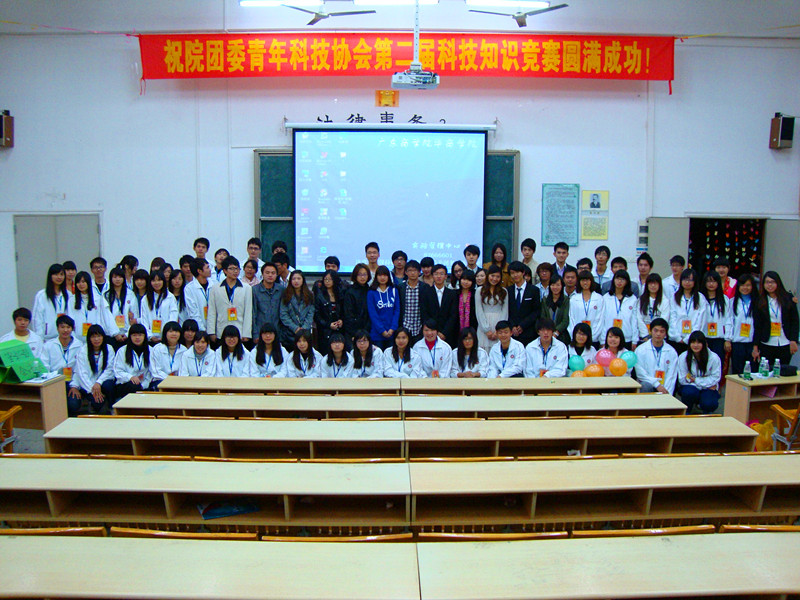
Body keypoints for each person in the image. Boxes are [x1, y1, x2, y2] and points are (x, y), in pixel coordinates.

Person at [753, 270, 799, 370]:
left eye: (772, 282)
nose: (770, 285)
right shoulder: (760, 301)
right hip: (766, 343)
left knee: (782, 372)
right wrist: (755, 346)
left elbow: (795, 321)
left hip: (785, 342)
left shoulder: (788, 298)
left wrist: (793, 340)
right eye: (767, 282)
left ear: (778, 283)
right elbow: (757, 325)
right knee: (766, 372)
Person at [70, 323, 115, 414]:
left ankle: (111, 407)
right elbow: (82, 374)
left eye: (99, 336)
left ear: (103, 337)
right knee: (96, 402)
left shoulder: (109, 349)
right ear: (89, 338)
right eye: (93, 337)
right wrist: (93, 390)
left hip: (102, 382)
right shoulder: (83, 351)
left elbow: (109, 369)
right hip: (87, 385)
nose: (96, 339)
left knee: (109, 385)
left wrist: (98, 382)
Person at [41, 315, 83, 412]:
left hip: (72, 382)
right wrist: (51, 382)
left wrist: (75, 386)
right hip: (54, 382)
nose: (65, 330)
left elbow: (80, 369)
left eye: (68, 327)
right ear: (57, 328)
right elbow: (44, 367)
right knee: (53, 405)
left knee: (73, 404)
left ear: (72, 329)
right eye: (62, 327)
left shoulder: (79, 345)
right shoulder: (48, 345)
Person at [207, 256, 253, 345]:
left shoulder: (246, 288)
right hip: (221, 330)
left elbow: (248, 312)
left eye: (237, 269)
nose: (235, 271)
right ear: (224, 270)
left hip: (239, 331)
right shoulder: (215, 288)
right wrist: (211, 332)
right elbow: (212, 311)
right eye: (231, 269)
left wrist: (246, 333)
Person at [678, 331, 722, 414]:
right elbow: (682, 379)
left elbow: (715, 378)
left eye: (699, 342)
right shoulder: (683, 357)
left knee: (709, 403)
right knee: (688, 392)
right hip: (695, 387)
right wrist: (704, 382)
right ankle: (687, 411)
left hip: (707, 389)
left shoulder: (714, 358)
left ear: (704, 344)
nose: (695, 345)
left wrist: (695, 380)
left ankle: (706, 411)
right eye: (693, 342)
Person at [67, 271, 117, 343]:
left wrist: (115, 332)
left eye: (83, 282)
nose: (81, 284)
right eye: (78, 282)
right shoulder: (72, 300)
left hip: (95, 338)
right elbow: (70, 319)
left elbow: (106, 316)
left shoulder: (98, 298)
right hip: (78, 338)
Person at [634, 318, 679, 394]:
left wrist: (667, 393)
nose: (658, 334)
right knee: (645, 385)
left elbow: (672, 375)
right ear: (650, 331)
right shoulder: (640, 350)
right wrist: (656, 384)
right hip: (648, 385)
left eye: (662, 331)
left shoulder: (671, 351)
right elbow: (640, 373)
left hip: (664, 387)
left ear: (665, 334)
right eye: (656, 330)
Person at [669, 268, 706, 355]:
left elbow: (700, 320)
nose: (687, 282)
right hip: (676, 339)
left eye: (690, 280)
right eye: (685, 279)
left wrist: (689, 338)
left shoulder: (700, 298)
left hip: (693, 341)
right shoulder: (674, 297)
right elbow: (672, 318)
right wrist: (677, 337)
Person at [420, 264, 458, 347]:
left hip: (448, 334)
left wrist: (444, 333)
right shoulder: (426, 293)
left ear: (445, 276)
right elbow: (424, 313)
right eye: (436, 274)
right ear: (432, 276)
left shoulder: (452, 294)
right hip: (430, 333)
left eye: (441, 274)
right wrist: (434, 331)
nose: (439, 276)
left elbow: (453, 315)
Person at [701, 270, 732, 368]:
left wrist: (727, 339)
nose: (711, 284)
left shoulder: (724, 299)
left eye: (714, 281)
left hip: (719, 339)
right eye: (708, 281)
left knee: (717, 365)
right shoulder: (700, 298)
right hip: (704, 337)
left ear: (718, 283)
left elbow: (728, 320)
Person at [32, 263, 71, 341]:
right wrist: (39, 338)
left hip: (65, 337)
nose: (59, 277)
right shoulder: (42, 295)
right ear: (50, 276)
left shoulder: (68, 294)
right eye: (56, 274)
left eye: (61, 274)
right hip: (47, 338)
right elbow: (37, 319)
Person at [506, 260, 541, 347]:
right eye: (512, 273)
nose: (515, 275)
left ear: (523, 272)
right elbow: (507, 311)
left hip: (529, 331)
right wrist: (513, 326)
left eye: (517, 272)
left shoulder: (534, 290)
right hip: (513, 333)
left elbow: (536, 311)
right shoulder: (508, 291)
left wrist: (522, 325)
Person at [474, 265, 508, 353]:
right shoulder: (480, 290)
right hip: (483, 324)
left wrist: (499, 330)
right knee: (483, 352)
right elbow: (479, 311)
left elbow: (505, 311)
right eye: (492, 276)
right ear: (488, 276)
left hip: (498, 323)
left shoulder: (504, 291)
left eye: (497, 276)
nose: (494, 279)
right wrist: (486, 330)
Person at [602, 270, 638, 349]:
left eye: (622, 279)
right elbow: (603, 319)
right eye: (617, 278)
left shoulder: (632, 298)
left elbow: (634, 320)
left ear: (627, 282)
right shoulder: (606, 297)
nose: (619, 281)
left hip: (626, 337)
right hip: (610, 337)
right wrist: (602, 339)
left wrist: (634, 340)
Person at [113, 323, 152, 397]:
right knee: (133, 386)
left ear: (145, 336)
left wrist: (144, 385)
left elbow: (151, 372)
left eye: (140, 335)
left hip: (144, 384)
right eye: (134, 335)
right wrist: (130, 377)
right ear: (129, 336)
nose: (137, 338)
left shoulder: (151, 350)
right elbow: (117, 370)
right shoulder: (122, 351)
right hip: (126, 383)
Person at [366, 265, 400, 350]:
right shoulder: (371, 292)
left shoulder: (394, 291)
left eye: (385, 275)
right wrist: (382, 330)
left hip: (392, 333)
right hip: (377, 334)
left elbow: (397, 311)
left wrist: (392, 328)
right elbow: (373, 314)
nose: (382, 278)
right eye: (380, 275)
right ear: (376, 277)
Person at [730, 274, 758, 376]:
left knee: (752, 372)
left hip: (752, 343)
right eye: (742, 285)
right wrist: (728, 339)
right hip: (737, 342)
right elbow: (730, 321)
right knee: (737, 372)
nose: (745, 288)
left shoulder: (757, 301)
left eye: (748, 285)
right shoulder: (733, 301)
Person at [279, 270, 314, 349]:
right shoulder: (285, 294)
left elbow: (310, 313)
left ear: (303, 280)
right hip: (289, 332)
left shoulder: (310, 295)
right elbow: (284, 314)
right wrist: (295, 328)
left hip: (305, 331)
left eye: (298, 278)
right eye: (294, 279)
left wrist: (304, 328)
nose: (296, 281)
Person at [140, 270, 178, 343]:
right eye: (153, 280)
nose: (156, 283)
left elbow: (173, 317)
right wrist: (150, 336)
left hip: (166, 338)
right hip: (150, 339)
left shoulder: (170, 297)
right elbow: (144, 319)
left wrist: (166, 334)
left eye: (159, 280)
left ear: (163, 281)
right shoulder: (145, 299)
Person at [569, 271, 604, 346]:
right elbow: (571, 318)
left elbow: (600, 319)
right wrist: (575, 335)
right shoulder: (574, 299)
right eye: (582, 280)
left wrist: (592, 336)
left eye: (587, 280)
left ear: (591, 281)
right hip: (577, 338)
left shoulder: (599, 298)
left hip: (594, 338)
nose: (585, 283)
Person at [314, 269, 345, 354]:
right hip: (325, 331)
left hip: (339, 330)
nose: (327, 281)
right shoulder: (319, 295)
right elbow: (317, 315)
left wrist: (341, 320)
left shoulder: (340, 293)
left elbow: (344, 311)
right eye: (325, 279)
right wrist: (328, 325)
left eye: (330, 279)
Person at [397, 260, 428, 344]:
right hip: (404, 326)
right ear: (406, 272)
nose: (412, 273)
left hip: (419, 327)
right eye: (410, 270)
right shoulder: (400, 288)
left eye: (415, 270)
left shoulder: (425, 287)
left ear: (419, 272)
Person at [252, 262, 284, 340]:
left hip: (277, 332)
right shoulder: (254, 290)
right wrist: (255, 334)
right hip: (261, 332)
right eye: (267, 273)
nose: (270, 275)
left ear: (277, 275)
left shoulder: (281, 290)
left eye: (273, 273)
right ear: (262, 274)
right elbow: (253, 314)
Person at [149, 321, 185, 389]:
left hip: (178, 381)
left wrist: (177, 380)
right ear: (165, 333)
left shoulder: (184, 350)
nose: (174, 334)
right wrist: (170, 380)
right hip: (160, 380)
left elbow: (184, 370)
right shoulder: (156, 349)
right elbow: (155, 371)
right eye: (171, 331)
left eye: (176, 331)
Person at [637, 273, 671, 341]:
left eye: (655, 283)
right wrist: (645, 335)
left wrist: (656, 334)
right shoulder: (641, 300)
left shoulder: (664, 301)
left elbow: (664, 319)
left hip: (659, 336)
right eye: (650, 283)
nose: (653, 285)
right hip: (644, 337)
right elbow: (639, 318)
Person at [105, 266, 132, 347]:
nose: (117, 279)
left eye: (120, 277)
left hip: (126, 334)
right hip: (111, 335)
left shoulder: (130, 294)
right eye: (115, 277)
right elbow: (106, 316)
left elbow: (134, 315)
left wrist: (127, 333)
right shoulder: (106, 295)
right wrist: (115, 333)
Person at [343, 263, 371, 343]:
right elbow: (348, 315)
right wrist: (354, 333)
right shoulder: (350, 292)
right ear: (355, 275)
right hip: (353, 332)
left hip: (368, 330)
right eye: (359, 274)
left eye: (365, 274)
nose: (362, 277)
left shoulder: (370, 290)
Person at [541, 274, 570, 343]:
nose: (555, 287)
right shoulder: (545, 299)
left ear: (562, 286)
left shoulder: (566, 300)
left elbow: (565, 320)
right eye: (553, 285)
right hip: (547, 333)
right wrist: (549, 331)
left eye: (558, 285)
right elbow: (543, 317)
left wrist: (556, 332)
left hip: (561, 334)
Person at [185, 258, 212, 331]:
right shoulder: (189, 288)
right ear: (199, 271)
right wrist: (202, 330)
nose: (210, 270)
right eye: (207, 267)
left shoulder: (214, 284)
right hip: (199, 330)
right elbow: (193, 312)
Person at [455, 270, 478, 334]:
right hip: (456, 328)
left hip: (473, 328)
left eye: (469, 280)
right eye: (464, 279)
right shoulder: (455, 294)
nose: (466, 282)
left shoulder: (476, 294)